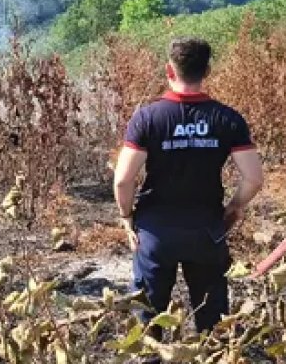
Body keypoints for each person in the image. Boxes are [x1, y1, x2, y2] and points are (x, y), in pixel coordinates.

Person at [113, 38, 265, 334]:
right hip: (206, 230)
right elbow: (254, 179)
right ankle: (212, 351)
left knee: (148, 320)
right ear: (207, 71)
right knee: (213, 323)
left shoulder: (147, 118)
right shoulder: (228, 119)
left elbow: (123, 179)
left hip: (155, 233)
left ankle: (150, 353)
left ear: (169, 71)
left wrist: (127, 217)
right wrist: (234, 207)